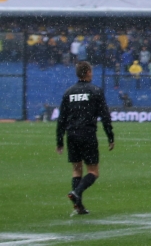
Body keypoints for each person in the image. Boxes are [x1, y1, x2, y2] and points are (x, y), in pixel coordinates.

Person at [57, 61, 115, 215]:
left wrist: (59, 140)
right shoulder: (95, 91)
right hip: (88, 134)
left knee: (76, 170)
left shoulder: (69, 92)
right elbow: (105, 116)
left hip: (72, 135)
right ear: (88, 72)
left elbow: (62, 118)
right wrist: (110, 136)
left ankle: (79, 207)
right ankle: (76, 192)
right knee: (94, 172)